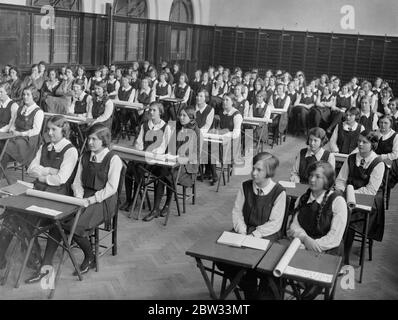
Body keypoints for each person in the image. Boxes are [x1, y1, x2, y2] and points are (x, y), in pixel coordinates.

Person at [26, 123, 122, 281]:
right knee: (58, 220)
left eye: (94, 139)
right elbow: (76, 182)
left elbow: (111, 188)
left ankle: (90, 257)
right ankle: (45, 266)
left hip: (103, 201)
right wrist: (79, 198)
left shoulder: (113, 159)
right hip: (83, 197)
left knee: (73, 226)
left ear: (104, 140)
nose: (89, 142)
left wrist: (90, 200)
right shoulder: (85, 156)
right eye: (89, 138)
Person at [0, 115, 78, 273]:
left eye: (53, 129)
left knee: (26, 217)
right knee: (10, 213)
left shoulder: (70, 151)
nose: (49, 133)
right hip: (37, 189)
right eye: (48, 129)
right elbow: (30, 169)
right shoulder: (45, 147)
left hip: (57, 195)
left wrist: (42, 174)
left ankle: (34, 257)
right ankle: (1, 258)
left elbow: (61, 179)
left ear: (64, 130)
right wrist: (49, 171)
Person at [217, 152, 286, 300]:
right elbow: (237, 212)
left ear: (269, 172)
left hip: (266, 235)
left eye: (259, 170)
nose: (253, 173)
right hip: (242, 231)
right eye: (253, 168)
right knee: (223, 259)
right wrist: (242, 231)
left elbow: (275, 223)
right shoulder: (245, 186)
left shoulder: (279, 192)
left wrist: (255, 235)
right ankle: (249, 288)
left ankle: (256, 290)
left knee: (261, 264)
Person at [288, 161, 347, 300]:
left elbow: (335, 236)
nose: (312, 179)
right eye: (310, 175)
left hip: (329, 248)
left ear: (327, 180)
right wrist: (305, 239)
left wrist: (314, 245)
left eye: (318, 176)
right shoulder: (303, 198)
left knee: (318, 275)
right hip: (304, 244)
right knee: (280, 265)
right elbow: (294, 226)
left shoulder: (338, 201)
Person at [335, 131, 385, 264]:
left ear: (373, 144)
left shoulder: (378, 163)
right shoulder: (351, 158)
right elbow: (340, 179)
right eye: (359, 141)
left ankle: (344, 258)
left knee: (349, 217)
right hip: (347, 194)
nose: (360, 144)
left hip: (368, 199)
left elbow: (370, 190)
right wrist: (340, 191)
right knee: (332, 208)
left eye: (365, 142)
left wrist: (349, 194)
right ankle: (330, 247)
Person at [150, 105, 201, 218]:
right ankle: (156, 208)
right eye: (180, 115)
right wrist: (168, 156)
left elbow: (194, 155)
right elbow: (170, 146)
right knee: (162, 171)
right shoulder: (176, 127)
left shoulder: (196, 132)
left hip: (188, 167)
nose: (181, 118)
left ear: (191, 117)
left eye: (184, 115)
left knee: (167, 174)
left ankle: (166, 205)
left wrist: (180, 159)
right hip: (173, 162)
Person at [120, 102, 171, 214]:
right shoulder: (145, 125)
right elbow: (139, 142)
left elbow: (163, 147)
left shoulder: (166, 127)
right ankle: (130, 200)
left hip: (156, 160)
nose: (151, 112)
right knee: (129, 169)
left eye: (154, 110)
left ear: (160, 112)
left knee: (150, 172)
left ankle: (146, 203)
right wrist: (140, 150)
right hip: (144, 157)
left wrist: (150, 153)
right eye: (150, 110)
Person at [0, 86, 44, 173]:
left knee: (7, 147)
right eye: (24, 94)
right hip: (16, 135)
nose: (25, 97)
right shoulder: (20, 108)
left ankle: (0, 174)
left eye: (28, 95)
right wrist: (12, 131)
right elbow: (13, 124)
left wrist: (20, 134)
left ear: (34, 96)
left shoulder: (38, 111)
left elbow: (36, 131)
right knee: (2, 143)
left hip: (29, 140)